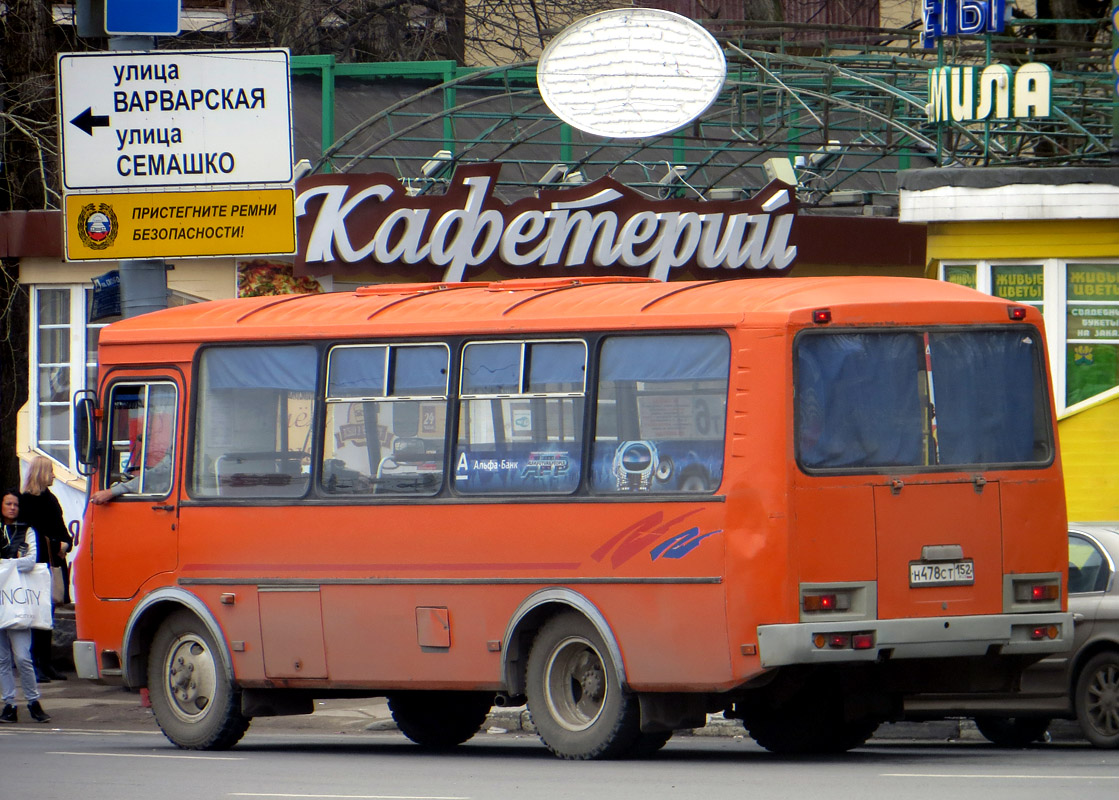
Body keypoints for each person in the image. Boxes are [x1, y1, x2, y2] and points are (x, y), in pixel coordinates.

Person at [0, 490, 51, 723]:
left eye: (15, 504)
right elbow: (23, 560)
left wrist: (6, 564)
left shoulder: (26, 530)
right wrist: (14, 562)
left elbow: (31, 561)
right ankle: (9, 704)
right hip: (3, 599)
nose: (12, 508)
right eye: (8, 504)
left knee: (22, 657)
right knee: (2, 659)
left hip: (17, 599)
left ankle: (33, 700)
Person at [20, 455, 73, 681]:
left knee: (48, 614)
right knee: (36, 615)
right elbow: (27, 536)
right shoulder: (26, 502)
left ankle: (46, 661)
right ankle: (35, 662)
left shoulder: (50, 499)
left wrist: (65, 542)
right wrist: (55, 543)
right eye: (50, 470)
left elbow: (61, 528)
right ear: (41, 472)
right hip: (36, 565)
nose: (53, 475)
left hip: (52, 563)